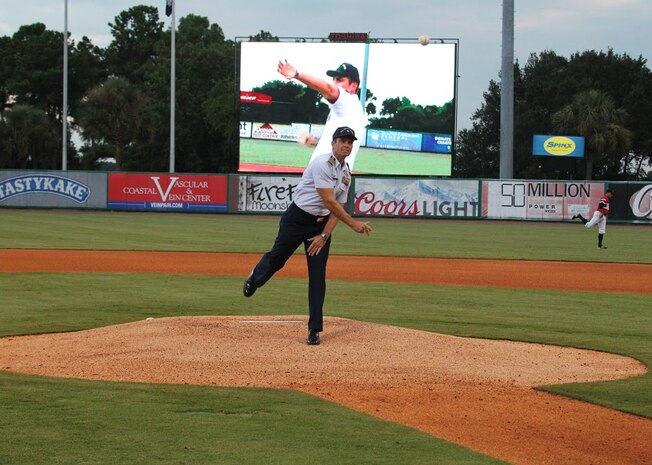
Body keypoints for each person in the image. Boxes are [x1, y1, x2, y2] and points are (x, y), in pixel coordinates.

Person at [243, 126, 372, 345]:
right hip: (297, 219)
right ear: (332, 143)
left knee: (318, 276)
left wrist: (324, 235)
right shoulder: (322, 164)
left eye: (350, 142)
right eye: (342, 140)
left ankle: (314, 330)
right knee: (277, 259)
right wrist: (353, 224)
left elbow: (337, 207)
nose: (346, 145)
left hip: (319, 227)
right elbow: (329, 201)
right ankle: (255, 277)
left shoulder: (346, 174)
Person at [277, 60, 367, 171]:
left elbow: (328, 88)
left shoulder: (348, 101)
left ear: (353, 86)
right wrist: (314, 141)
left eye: (339, 80)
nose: (334, 83)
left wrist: (297, 74)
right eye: (333, 80)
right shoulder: (348, 109)